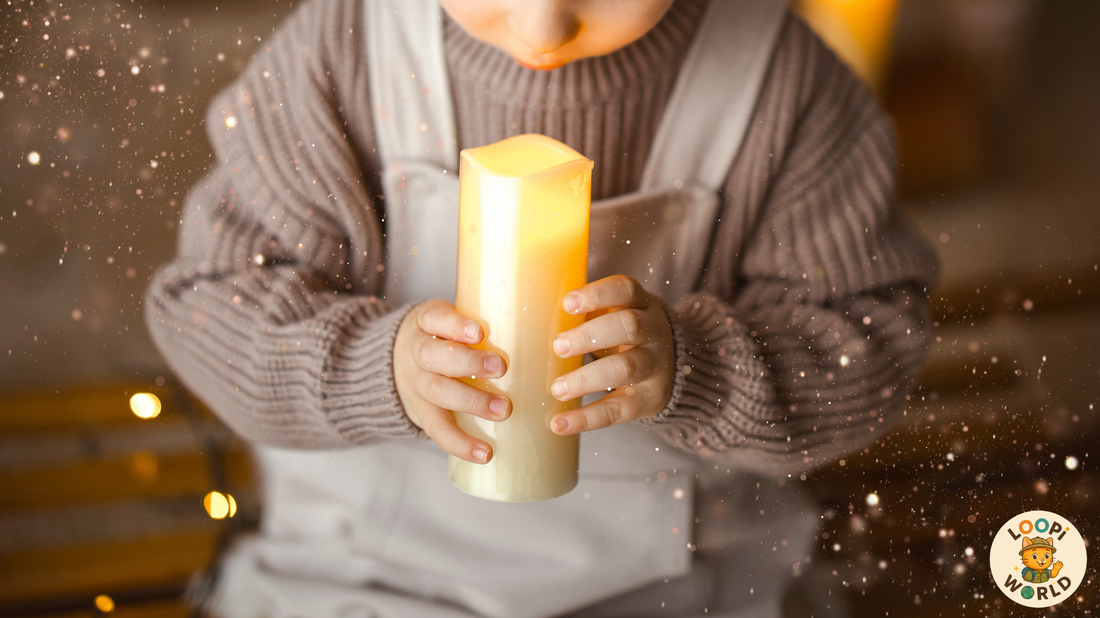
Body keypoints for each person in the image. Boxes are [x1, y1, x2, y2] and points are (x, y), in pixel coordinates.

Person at [144, 0, 938, 616]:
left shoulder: (785, 90)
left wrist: (699, 369)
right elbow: (210, 307)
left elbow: (863, 348)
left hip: (686, 585)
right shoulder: (344, 53)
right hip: (364, 580)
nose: (542, 26)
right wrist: (373, 368)